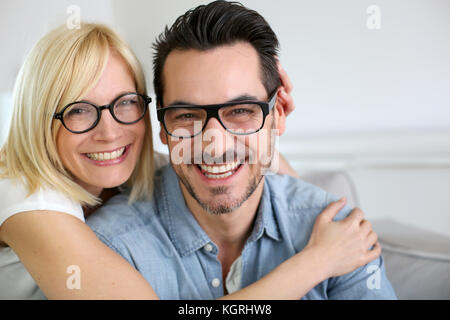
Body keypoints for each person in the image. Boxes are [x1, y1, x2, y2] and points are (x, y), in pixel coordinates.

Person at [0, 22, 380, 300]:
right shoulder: (23, 195)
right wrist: (318, 261)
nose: (110, 132)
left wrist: (261, 123)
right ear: (39, 118)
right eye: (79, 110)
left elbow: (228, 161)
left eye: (126, 103)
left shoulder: (142, 169)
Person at [87, 1, 396, 300]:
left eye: (241, 111)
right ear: (163, 130)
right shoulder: (112, 247)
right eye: (187, 116)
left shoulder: (340, 233)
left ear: (278, 116)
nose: (215, 145)